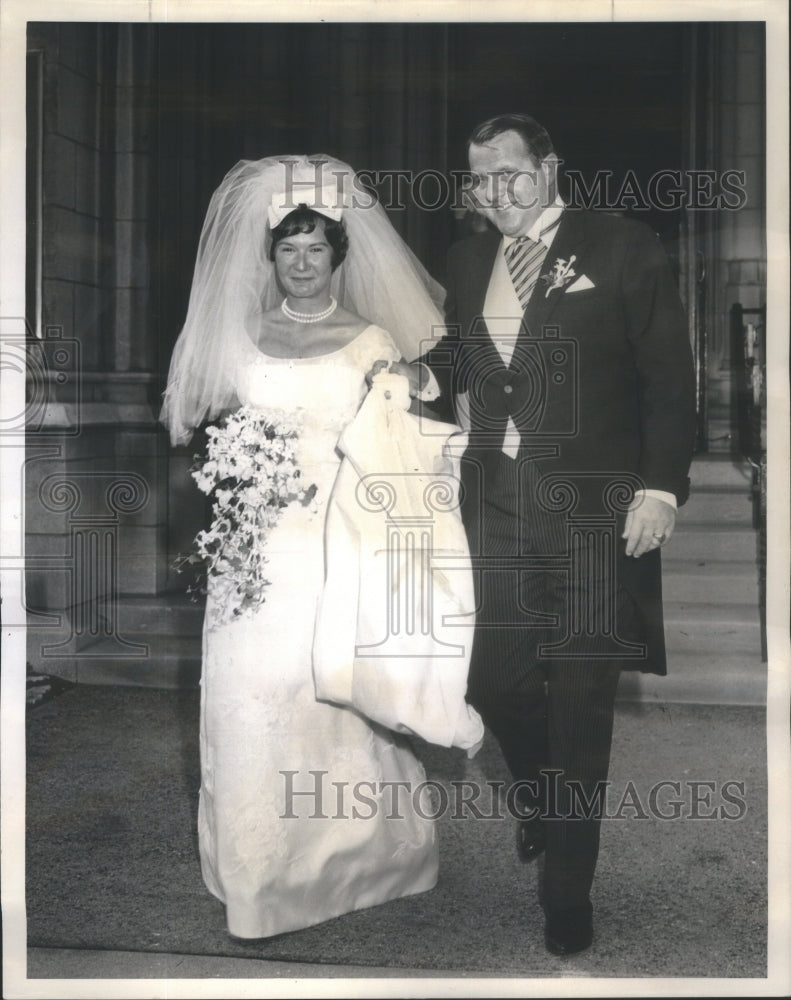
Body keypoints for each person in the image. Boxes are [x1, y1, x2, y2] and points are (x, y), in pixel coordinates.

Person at [392, 114, 697, 955]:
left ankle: (568, 891)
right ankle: (543, 802)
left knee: (581, 703)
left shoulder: (621, 244)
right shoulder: (465, 256)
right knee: (489, 679)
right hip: (494, 500)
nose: (495, 195)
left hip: (598, 510)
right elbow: (469, 355)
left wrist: (661, 487)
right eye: (481, 180)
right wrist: (423, 372)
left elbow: (668, 378)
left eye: (511, 177)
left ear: (551, 167)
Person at [160, 155, 482, 939]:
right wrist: (233, 482)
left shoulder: (372, 341)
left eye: (315, 249)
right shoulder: (238, 338)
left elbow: (399, 447)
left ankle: (360, 856)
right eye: (287, 249)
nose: (300, 265)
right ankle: (258, 871)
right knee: (248, 692)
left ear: (339, 255)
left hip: (340, 541)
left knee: (331, 689)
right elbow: (204, 422)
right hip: (255, 550)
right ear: (267, 257)